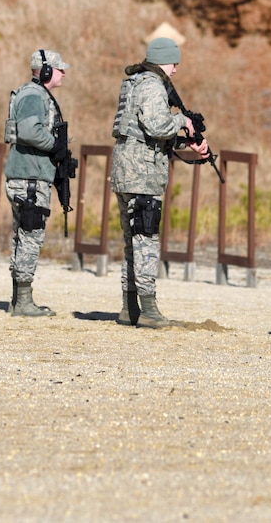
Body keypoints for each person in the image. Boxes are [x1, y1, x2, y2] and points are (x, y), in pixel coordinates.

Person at [110, 36, 210, 328]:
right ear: (163, 60)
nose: (176, 70)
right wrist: (182, 123)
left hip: (125, 169)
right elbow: (156, 125)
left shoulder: (133, 83)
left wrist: (182, 141)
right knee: (146, 241)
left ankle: (129, 309)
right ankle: (149, 310)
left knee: (131, 242)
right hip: (142, 173)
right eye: (173, 63)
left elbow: (143, 130)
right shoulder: (154, 85)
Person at [3, 49, 71, 317]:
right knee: (30, 238)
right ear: (45, 71)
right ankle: (23, 302)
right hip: (29, 179)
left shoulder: (33, 94)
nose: (64, 73)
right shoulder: (33, 95)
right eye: (59, 69)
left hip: (28, 176)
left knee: (23, 237)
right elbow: (30, 131)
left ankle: (18, 299)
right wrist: (55, 147)